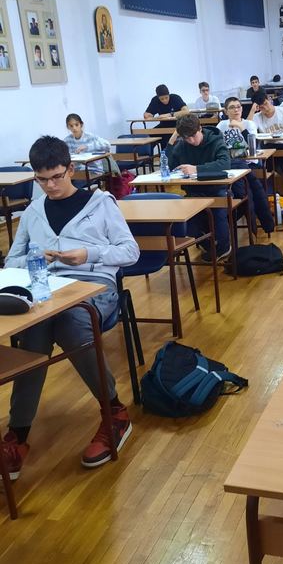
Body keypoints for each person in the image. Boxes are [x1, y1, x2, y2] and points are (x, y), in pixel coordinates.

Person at [3, 136, 139, 478]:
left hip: (96, 287)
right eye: (42, 179)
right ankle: (17, 435)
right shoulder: (33, 212)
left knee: (71, 321)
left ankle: (115, 413)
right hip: (48, 287)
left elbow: (130, 251)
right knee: (35, 329)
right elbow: (12, 261)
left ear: (71, 170)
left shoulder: (101, 203)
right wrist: (37, 258)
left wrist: (89, 253)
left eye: (57, 177)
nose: (50, 186)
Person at [166, 114, 231, 262]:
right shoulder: (182, 145)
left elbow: (225, 164)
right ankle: (208, 245)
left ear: (200, 128)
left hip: (217, 190)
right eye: (186, 138)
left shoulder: (215, 140)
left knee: (217, 211)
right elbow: (168, 166)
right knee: (184, 218)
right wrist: (172, 140)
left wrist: (196, 169)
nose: (191, 140)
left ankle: (224, 248)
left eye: (193, 136)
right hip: (193, 191)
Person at [217, 97, 274, 234]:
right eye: (232, 107)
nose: (236, 110)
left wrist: (241, 128)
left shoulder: (249, 124)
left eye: (238, 107)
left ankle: (253, 220)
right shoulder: (221, 125)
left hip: (250, 164)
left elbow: (252, 147)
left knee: (247, 187)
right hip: (231, 167)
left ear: (242, 109)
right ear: (226, 111)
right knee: (244, 188)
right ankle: (248, 219)